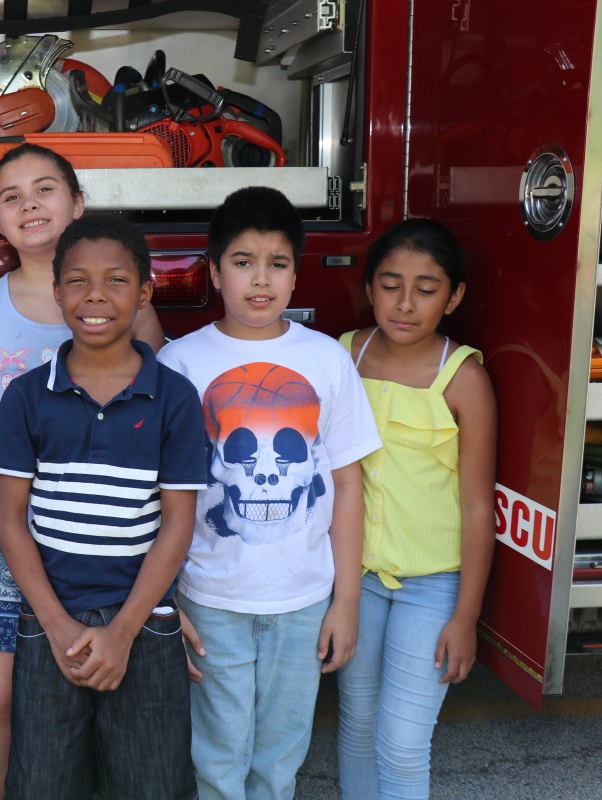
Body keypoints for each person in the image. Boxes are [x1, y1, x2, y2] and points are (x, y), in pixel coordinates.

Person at [0, 143, 165, 799]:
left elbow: (156, 430)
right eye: (11, 196)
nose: (29, 203)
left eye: (46, 188)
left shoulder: (126, 305)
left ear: (79, 204)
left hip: (98, 532)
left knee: (91, 687)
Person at [156, 186, 382, 800]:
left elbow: (344, 481)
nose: (261, 279)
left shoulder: (327, 360)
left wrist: (346, 601)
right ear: (213, 271)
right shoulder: (179, 363)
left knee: (281, 758)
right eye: (243, 262)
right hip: (211, 598)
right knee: (218, 755)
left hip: (304, 599)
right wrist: (165, 600)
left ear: (295, 272)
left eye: (278, 263)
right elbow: (163, 497)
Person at [0, 214, 207, 800]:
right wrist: (59, 627)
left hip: (145, 624)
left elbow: (177, 523)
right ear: (56, 292)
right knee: (43, 783)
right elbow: (9, 520)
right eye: (78, 281)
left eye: (116, 280)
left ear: (144, 293)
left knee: (152, 782)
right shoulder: (28, 396)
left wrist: (123, 632)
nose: (96, 296)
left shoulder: (175, 398)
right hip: (47, 623)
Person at [336, 218, 496, 799]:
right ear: (370, 288)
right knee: (356, 724)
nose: (405, 304)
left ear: (452, 297)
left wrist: (465, 617)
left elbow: (479, 506)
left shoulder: (464, 378)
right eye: (390, 285)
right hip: (357, 579)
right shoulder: (345, 356)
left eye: (426, 290)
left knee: (402, 742)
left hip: (433, 585)